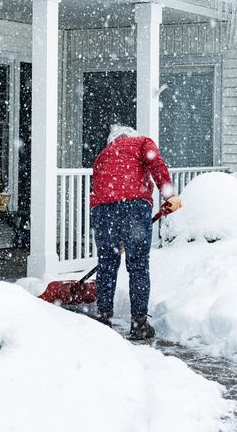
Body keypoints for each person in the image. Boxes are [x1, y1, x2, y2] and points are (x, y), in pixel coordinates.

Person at [90, 124, 182, 340]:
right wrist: (169, 196)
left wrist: (112, 230)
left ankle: (103, 317)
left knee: (107, 264)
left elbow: (99, 187)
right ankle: (139, 324)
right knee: (138, 265)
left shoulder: (104, 154)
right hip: (134, 207)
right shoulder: (142, 142)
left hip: (102, 210)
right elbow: (157, 165)